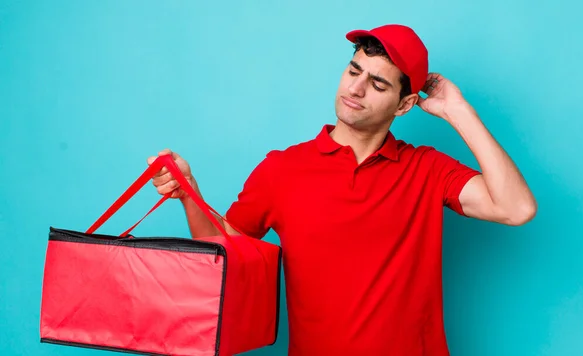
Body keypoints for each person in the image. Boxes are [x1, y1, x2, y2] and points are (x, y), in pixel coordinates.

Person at [147, 24, 536, 356]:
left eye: (378, 83)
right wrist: (189, 193)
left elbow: (516, 208)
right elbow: (223, 254)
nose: (357, 88)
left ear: (404, 106)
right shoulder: (283, 169)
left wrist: (458, 111)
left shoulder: (427, 169)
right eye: (354, 71)